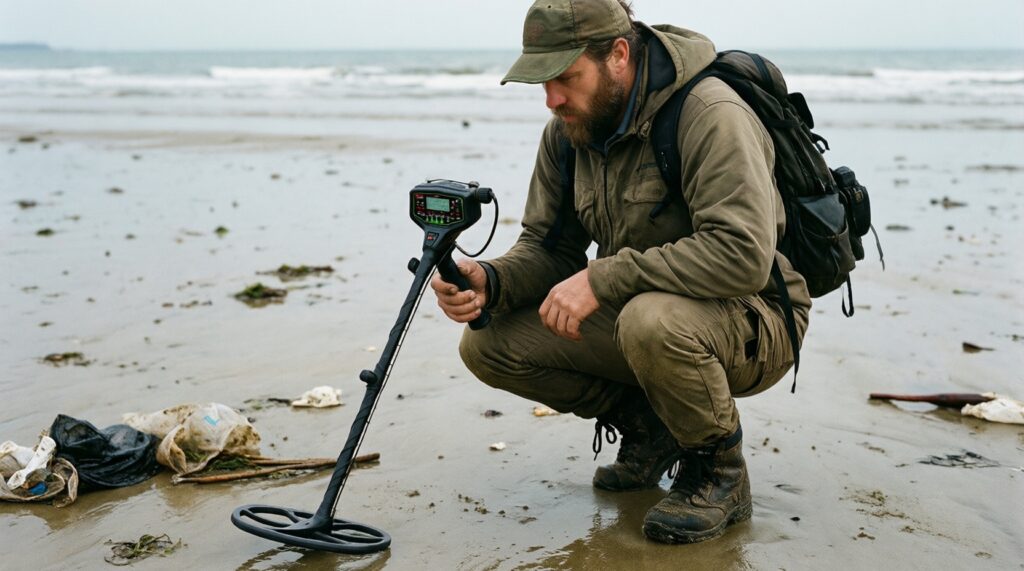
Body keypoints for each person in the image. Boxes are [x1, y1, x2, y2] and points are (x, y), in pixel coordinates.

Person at [430, 0, 810, 545]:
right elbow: (549, 247)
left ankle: (720, 474)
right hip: (647, 315)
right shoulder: (568, 131)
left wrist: (603, 278)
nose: (552, 98)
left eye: (566, 77)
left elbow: (742, 254)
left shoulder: (708, 112)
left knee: (649, 321)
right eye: (542, 81)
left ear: (619, 55)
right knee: (488, 343)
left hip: (758, 318)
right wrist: (492, 279)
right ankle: (652, 429)